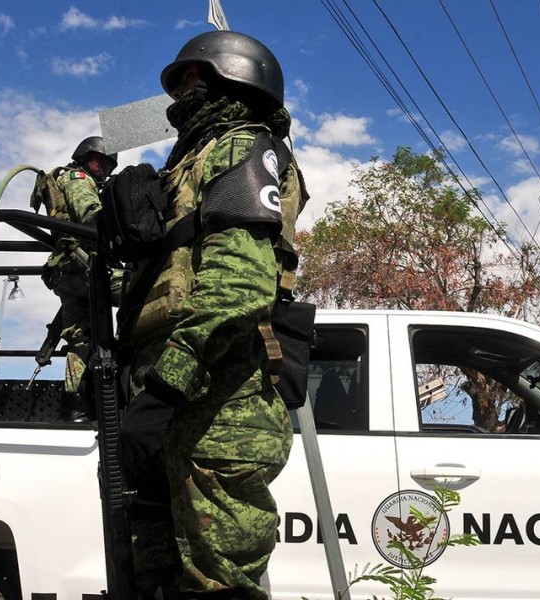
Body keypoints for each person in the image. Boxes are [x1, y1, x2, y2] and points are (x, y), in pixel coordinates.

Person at [118, 30, 308, 600]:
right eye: (176, 82)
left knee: (218, 585)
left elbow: (239, 287)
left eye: (192, 78)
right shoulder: (187, 162)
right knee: (157, 577)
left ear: (235, 80)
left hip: (219, 413)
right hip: (173, 406)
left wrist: (163, 392)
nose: (180, 92)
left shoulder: (244, 146)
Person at [32, 136, 118, 408]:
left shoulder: (64, 178)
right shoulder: (79, 178)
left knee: (80, 335)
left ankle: (77, 405)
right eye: (100, 161)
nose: (104, 169)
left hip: (66, 268)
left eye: (108, 166)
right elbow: (91, 215)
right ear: (85, 157)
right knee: (142, 291)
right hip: (84, 264)